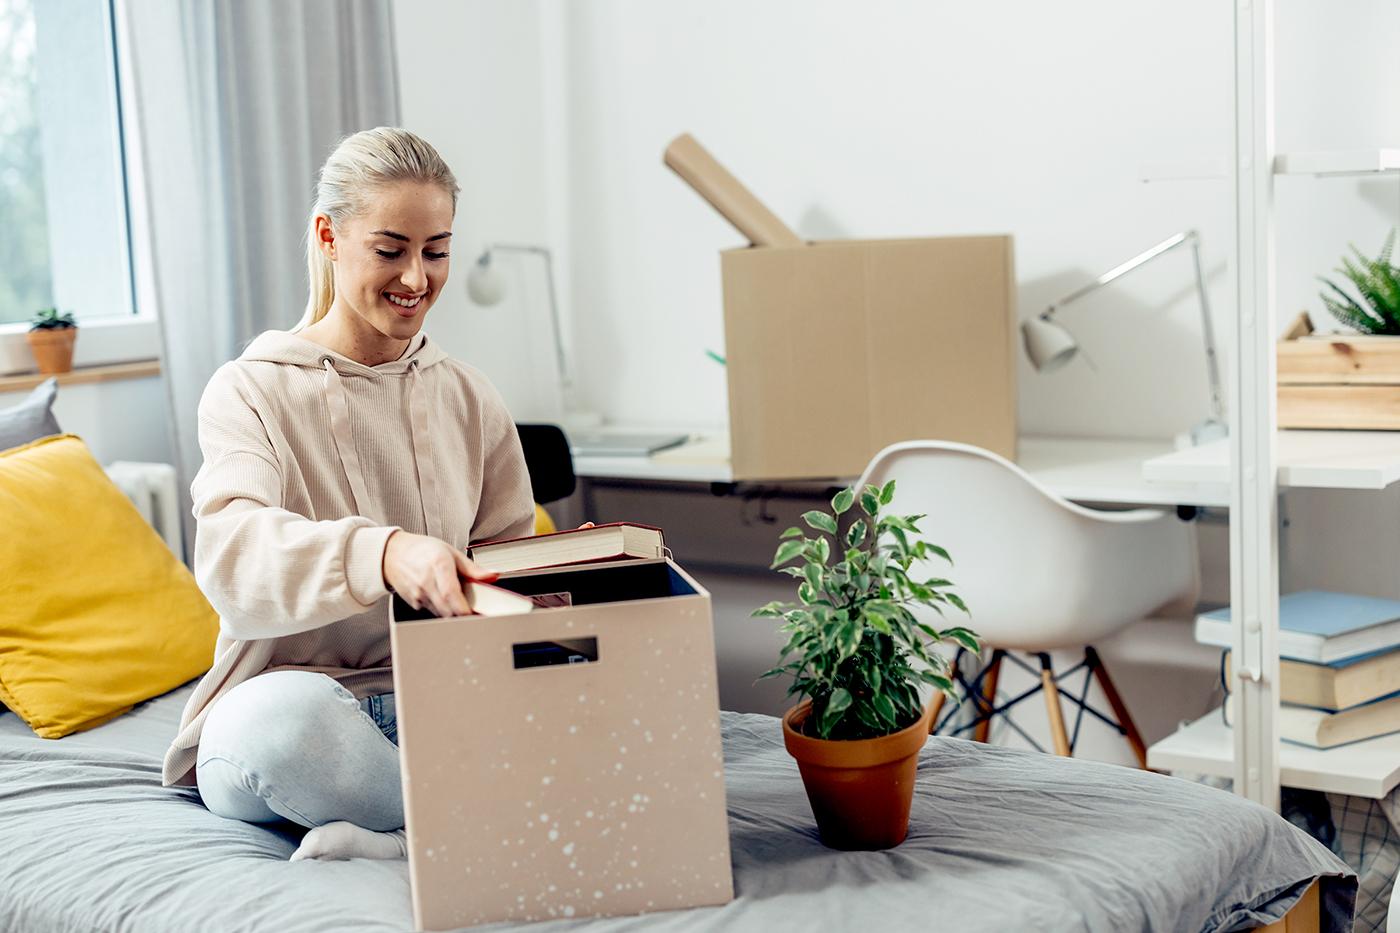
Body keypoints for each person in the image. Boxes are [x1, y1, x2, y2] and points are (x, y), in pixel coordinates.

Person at [160, 127, 536, 862]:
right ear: (330, 236)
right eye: (390, 249)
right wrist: (384, 553)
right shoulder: (251, 389)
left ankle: (405, 835)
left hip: (442, 706)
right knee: (275, 724)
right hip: (305, 713)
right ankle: (474, 823)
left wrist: (570, 595)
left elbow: (510, 565)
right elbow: (234, 556)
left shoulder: (471, 397)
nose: (417, 279)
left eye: (437, 251)